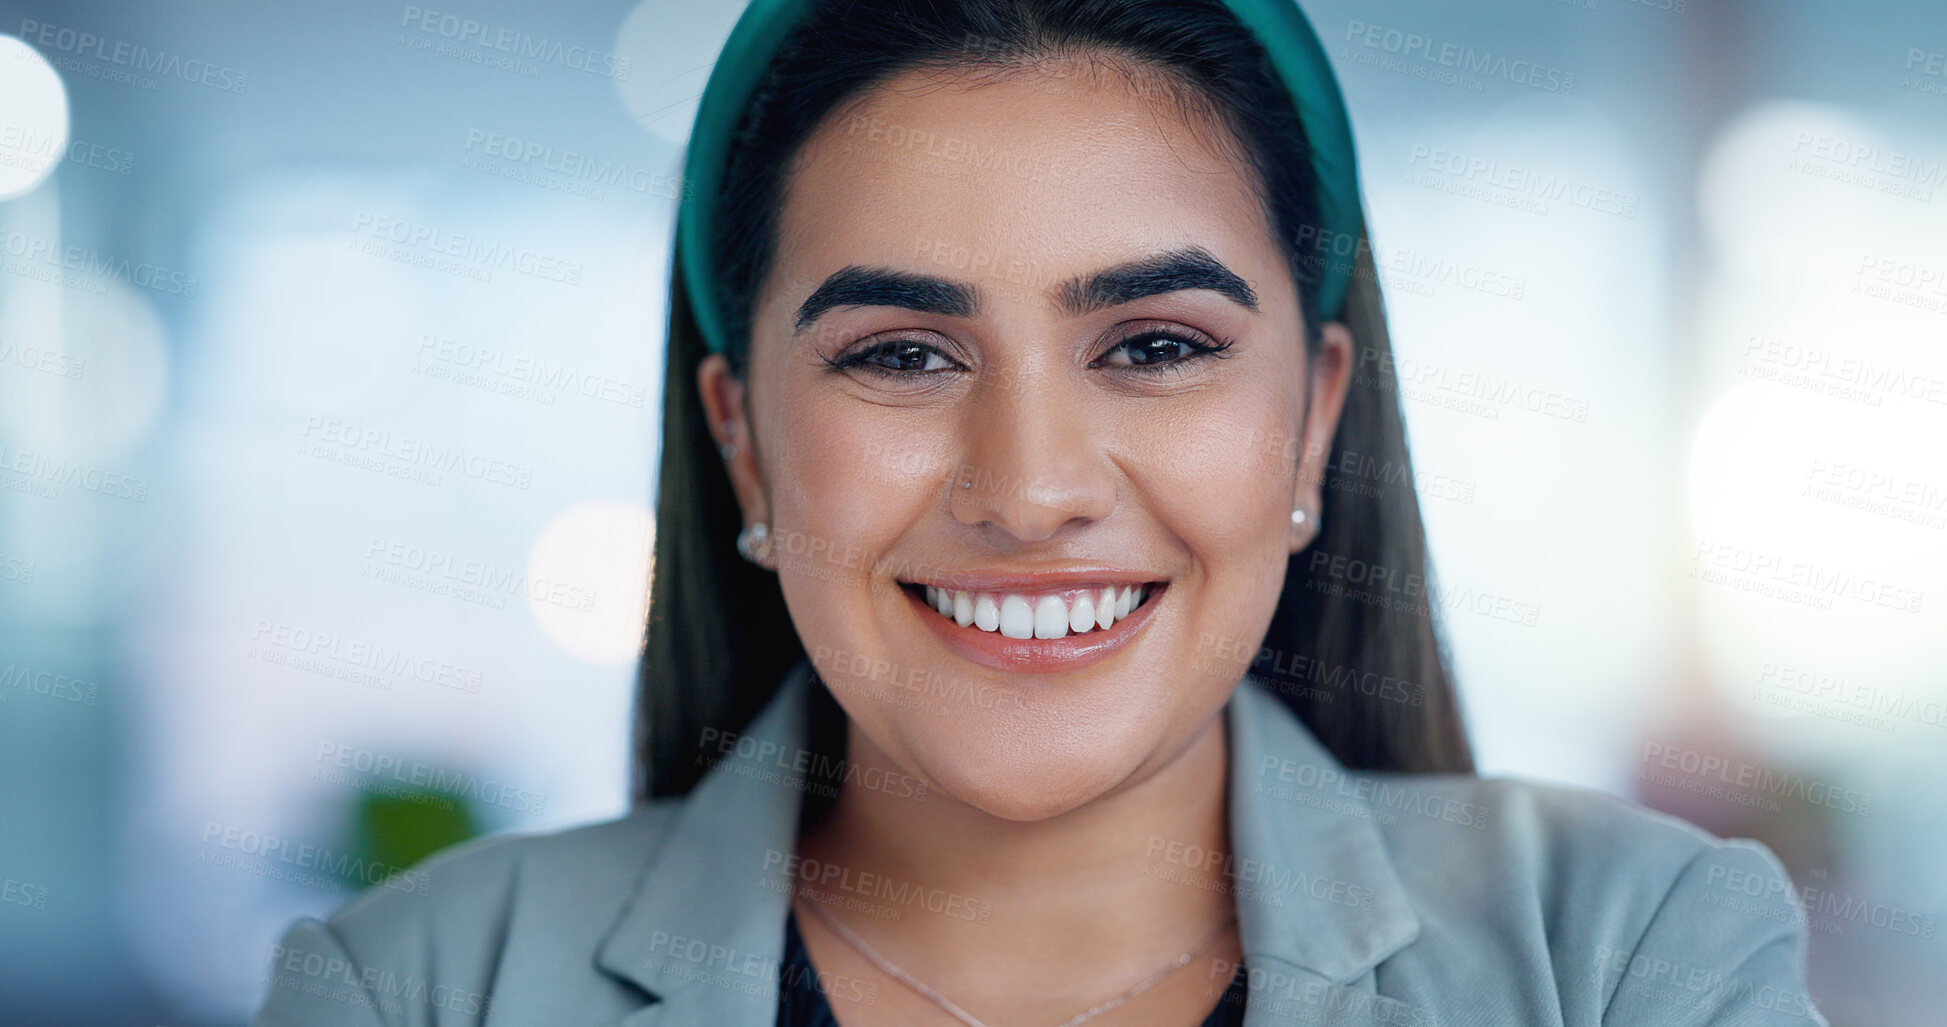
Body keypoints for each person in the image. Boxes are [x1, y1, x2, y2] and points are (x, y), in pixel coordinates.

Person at [255, 1, 1828, 1024]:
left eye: (1155, 347)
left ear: (1314, 420)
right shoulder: (415, 991)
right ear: (741, 445)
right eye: (902, 355)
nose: (1030, 491)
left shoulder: (1635, 963)